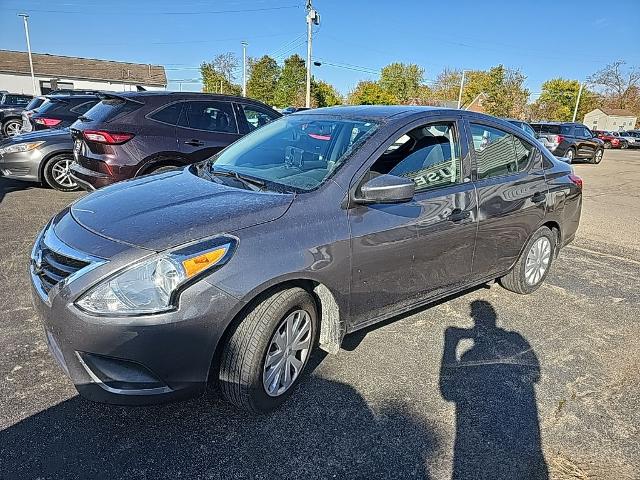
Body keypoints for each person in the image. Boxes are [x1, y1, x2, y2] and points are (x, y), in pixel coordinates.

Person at [439, 300, 548, 480]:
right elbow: (534, 373)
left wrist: (450, 344)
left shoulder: (471, 356)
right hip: (509, 436)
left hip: (480, 441)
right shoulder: (513, 340)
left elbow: (448, 392)